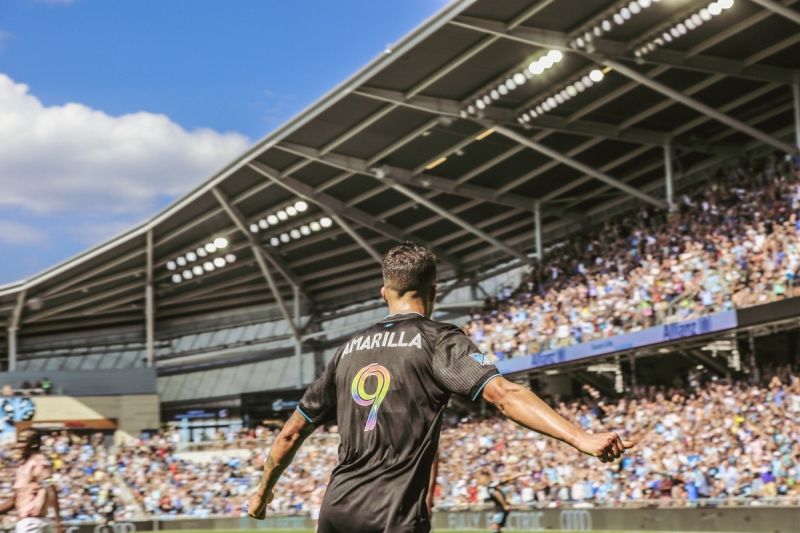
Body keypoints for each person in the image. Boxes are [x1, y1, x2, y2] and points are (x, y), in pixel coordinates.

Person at [247, 242, 633, 533]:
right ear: (434, 292)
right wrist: (580, 437)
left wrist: (263, 493)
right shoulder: (439, 340)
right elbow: (505, 396)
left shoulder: (345, 352)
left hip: (335, 512)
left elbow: (290, 433)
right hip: (394, 515)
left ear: (384, 293)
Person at [0, 430, 64, 533]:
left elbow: (51, 490)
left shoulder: (39, 464)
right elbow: (14, 501)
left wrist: (58, 522)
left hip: (32, 523)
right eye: (18, 441)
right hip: (29, 522)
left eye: (22, 442)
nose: (18, 445)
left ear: (34, 444)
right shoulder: (24, 466)